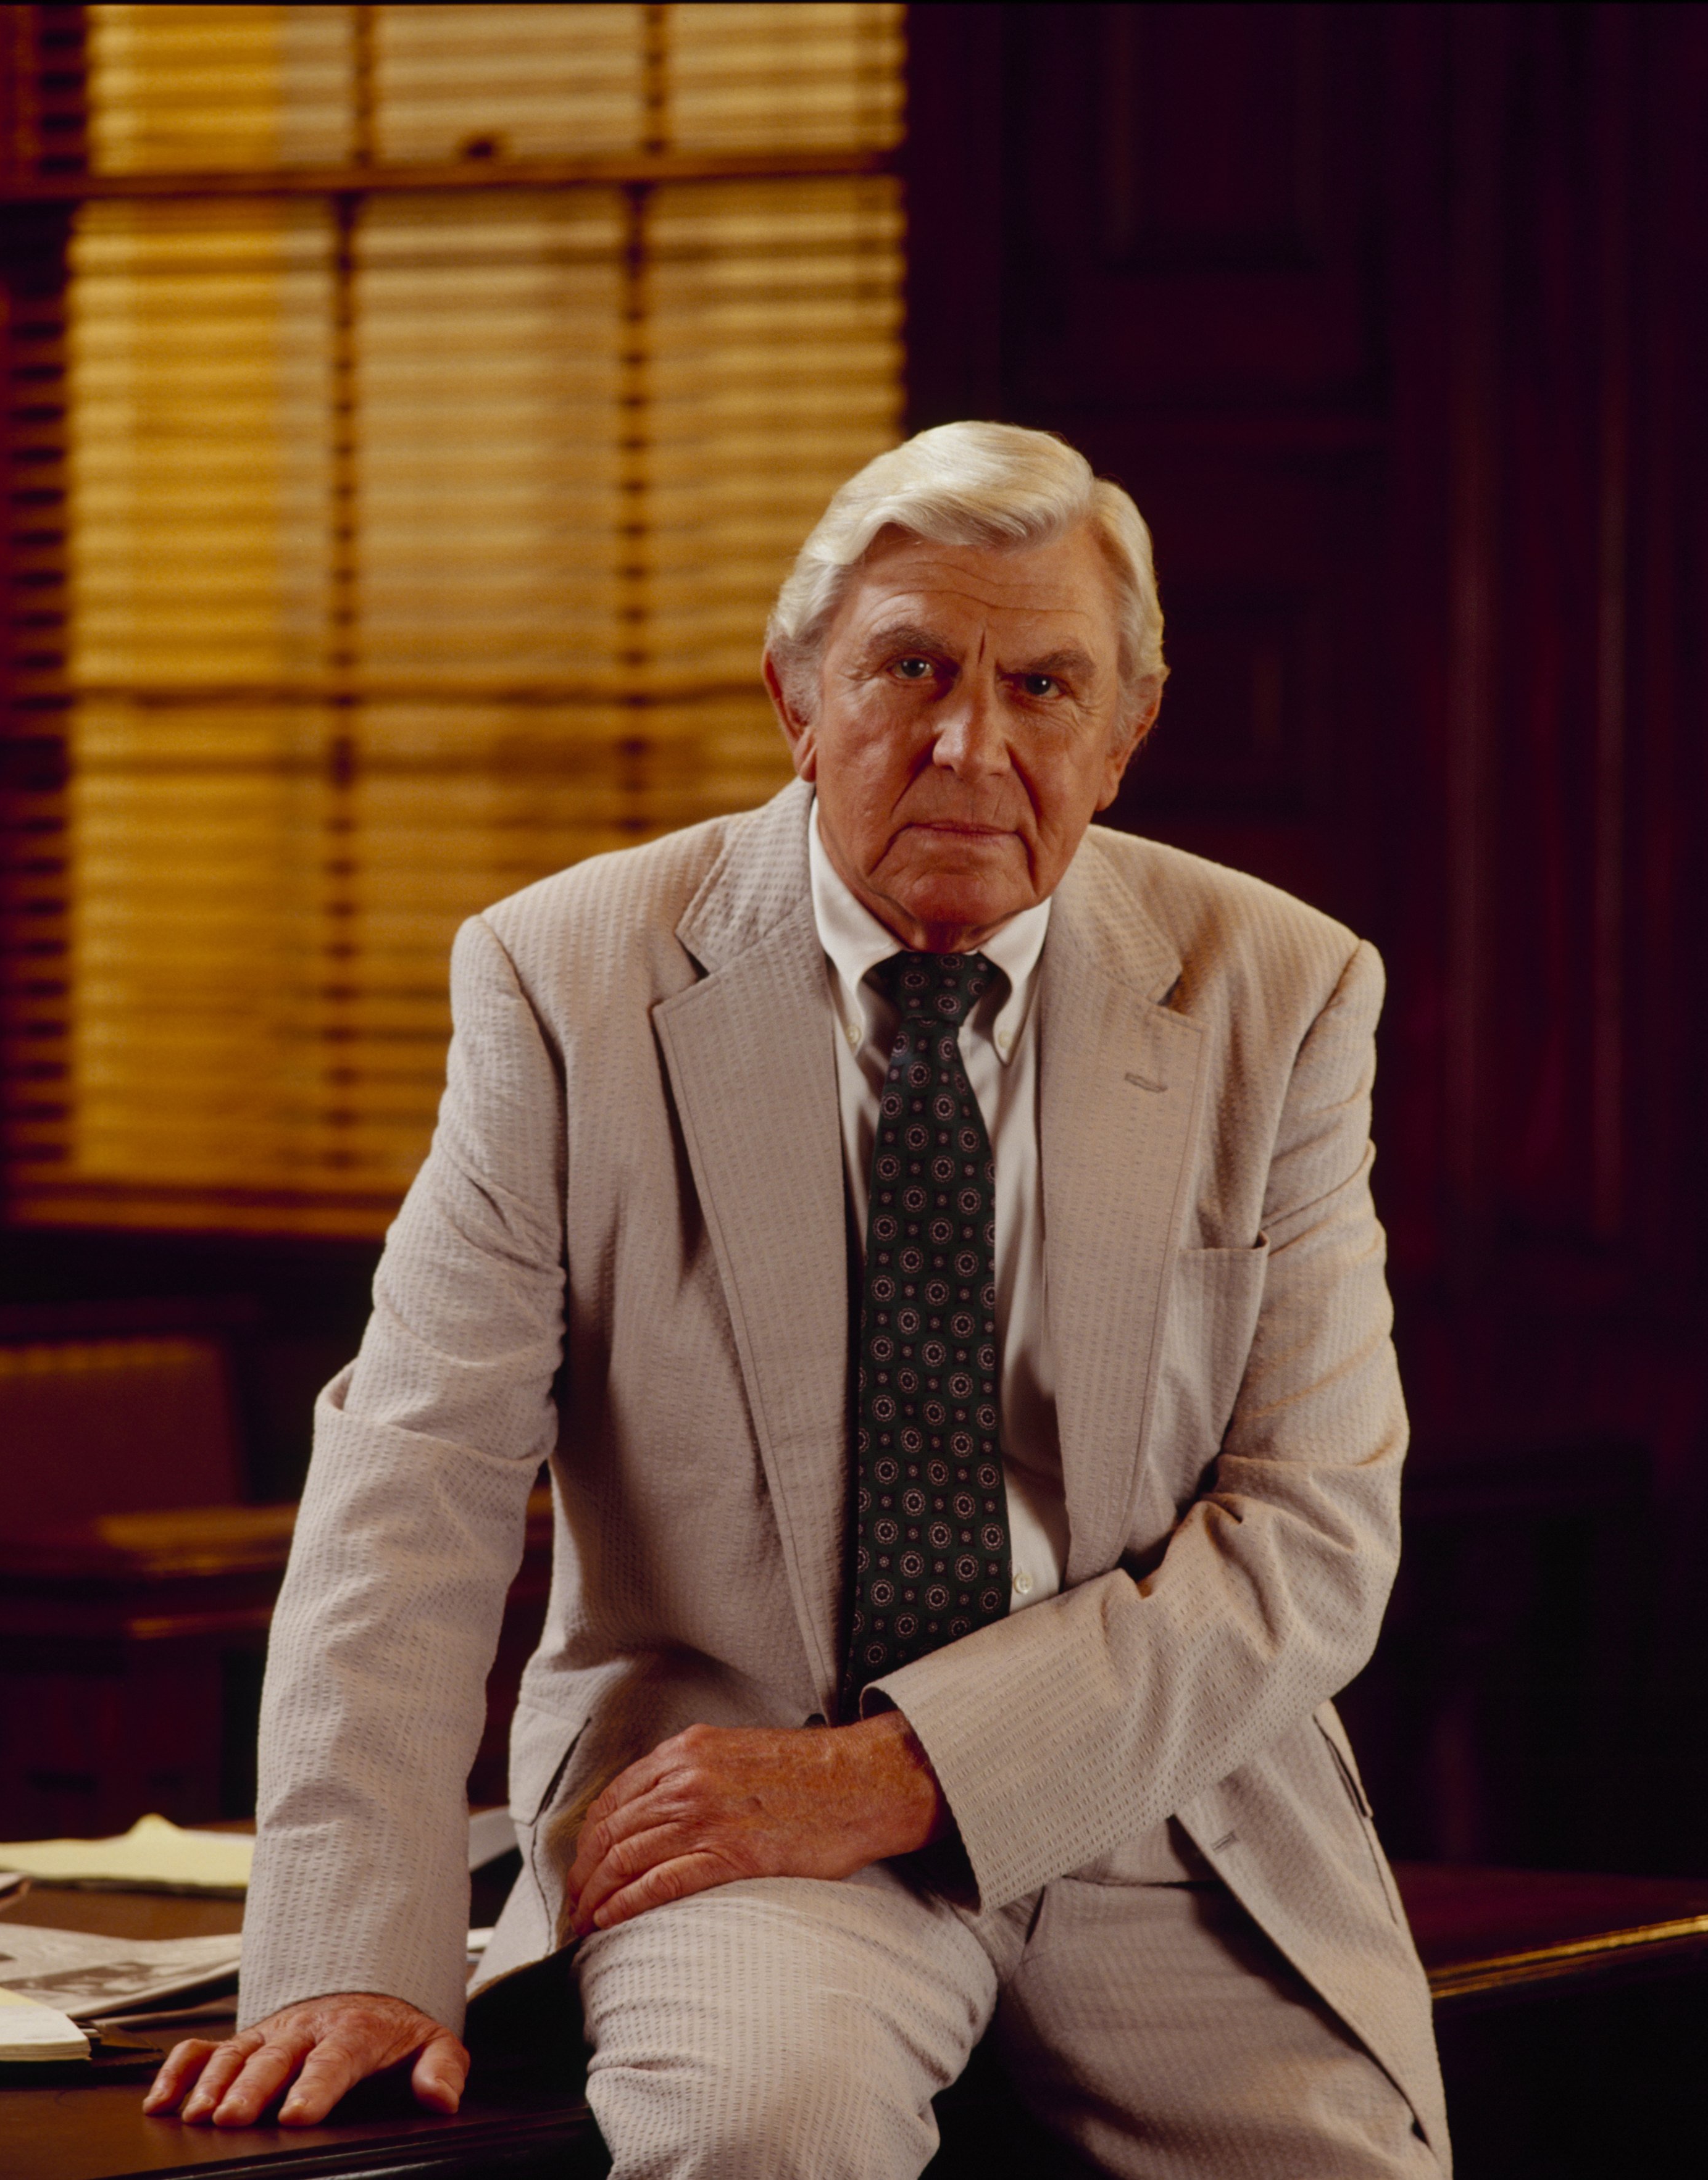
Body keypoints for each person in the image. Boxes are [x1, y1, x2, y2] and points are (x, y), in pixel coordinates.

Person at [146, 423, 1449, 2178]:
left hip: (1164, 1798)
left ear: (1125, 735)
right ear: (797, 699)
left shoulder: (1280, 990)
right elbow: (418, 1473)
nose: (970, 744)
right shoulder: (568, 973)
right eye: (909, 666)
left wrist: (922, 1765)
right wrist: (350, 1956)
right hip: (730, 1801)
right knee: (763, 2127)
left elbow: (1314, 1532)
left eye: (1045, 685)